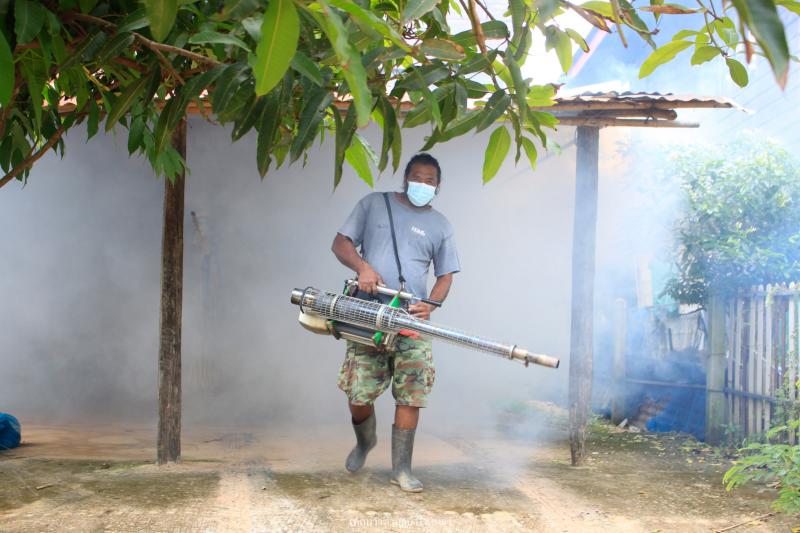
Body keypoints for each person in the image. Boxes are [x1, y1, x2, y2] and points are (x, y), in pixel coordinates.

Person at [331, 153, 460, 492]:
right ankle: (365, 441)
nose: (422, 184)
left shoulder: (441, 226)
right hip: (368, 315)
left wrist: (431, 304)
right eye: (416, 178)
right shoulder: (374, 204)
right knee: (358, 393)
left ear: (438, 186)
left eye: (430, 180)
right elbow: (340, 243)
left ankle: (401, 469)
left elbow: (446, 275)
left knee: (410, 394)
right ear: (405, 178)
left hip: (411, 322)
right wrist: (363, 268)